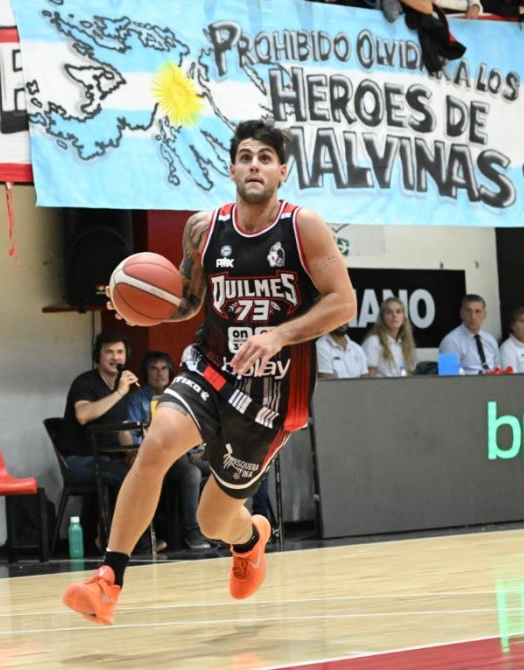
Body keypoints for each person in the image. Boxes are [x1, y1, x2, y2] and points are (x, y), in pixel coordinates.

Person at [62, 119, 356, 625]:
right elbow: (188, 300)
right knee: (155, 445)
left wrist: (278, 335)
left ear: (282, 172)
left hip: (270, 395)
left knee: (212, 518)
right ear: (232, 168)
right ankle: (108, 580)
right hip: (211, 368)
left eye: (265, 158)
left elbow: (344, 303)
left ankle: (249, 538)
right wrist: (144, 309)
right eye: (245, 157)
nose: (254, 165)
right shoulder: (204, 228)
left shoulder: (303, 226)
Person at [127, 351, 211, 550]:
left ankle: (224, 530)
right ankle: (192, 532)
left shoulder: (178, 396)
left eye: (164, 368)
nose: (160, 373)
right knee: (191, 473)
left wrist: (199, 448)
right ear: (145, 373)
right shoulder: (136, 400)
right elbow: (133, 436)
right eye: (154, 369)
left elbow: (192, 426)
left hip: (183, 454)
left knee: (223, 468)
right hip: (155, 458)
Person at [61, 332, 137, 552]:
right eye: (109, 352)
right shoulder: (85, 382)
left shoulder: (119, 387)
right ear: (98, 356)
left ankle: (136, 538)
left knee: (142, 474)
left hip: (108, 457)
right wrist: (120, 393)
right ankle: (121, 542)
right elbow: (83, 415)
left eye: (120, 352)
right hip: (79, 459)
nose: (116, 357)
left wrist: (133, 453)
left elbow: (122, 428)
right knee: (123, 477)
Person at [439, 294, 499, 374]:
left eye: (477, 311)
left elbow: (498, 369)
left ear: (484, 315)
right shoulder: (450, 341)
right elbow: (448, 374)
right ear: (461, 313)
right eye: (468, 311)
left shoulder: (490, 340)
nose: (473, 316)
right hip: (467, 381)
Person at [362, 297, 417, 377]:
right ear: (382, 318)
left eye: (398, 312)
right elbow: (369, 378)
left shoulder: (405, 343)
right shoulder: (373, 342)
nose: (394, 315)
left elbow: (406, 374)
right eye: (389, 312)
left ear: (403, 317)